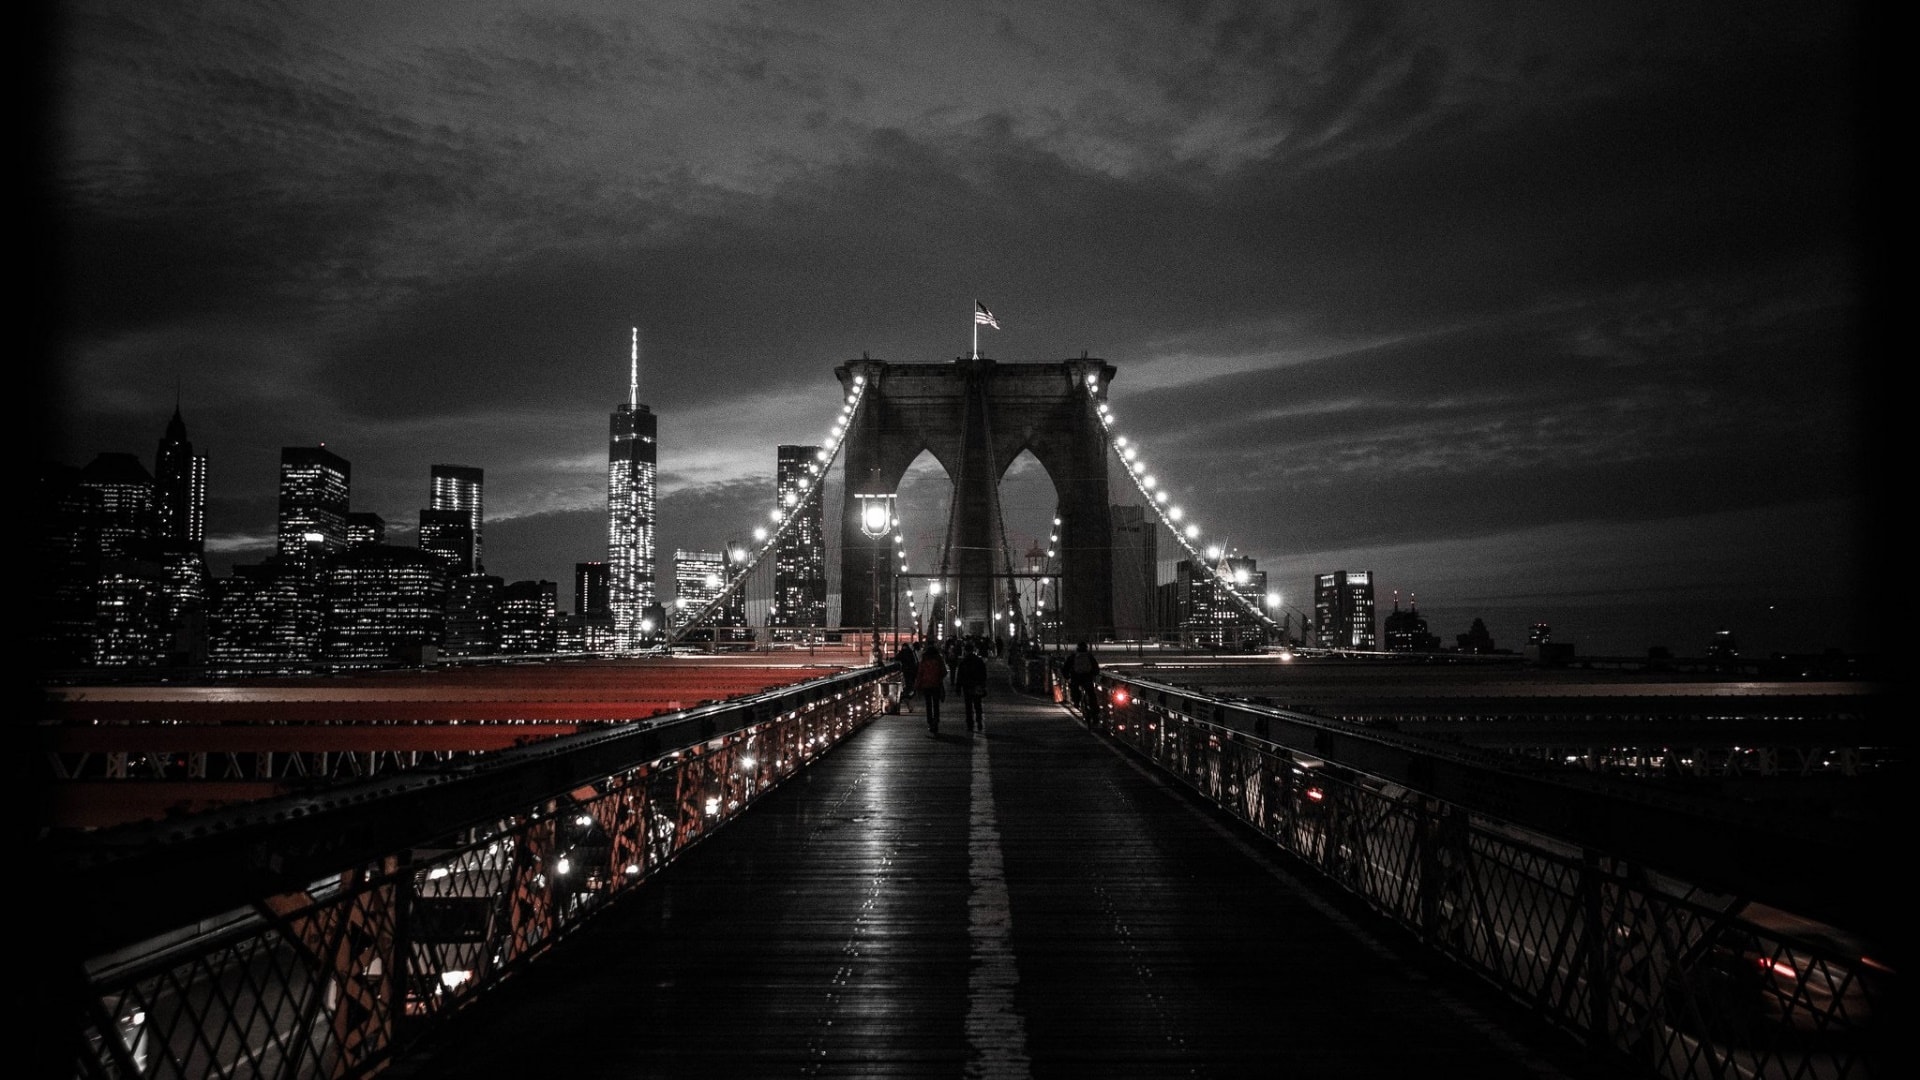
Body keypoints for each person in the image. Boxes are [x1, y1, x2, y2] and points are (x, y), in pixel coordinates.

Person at [915, 643, 949, 734]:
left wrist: (918, 685)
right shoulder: (939, 659)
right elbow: (944, 672)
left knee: (928, 704)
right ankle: (936, 721)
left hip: (926, 685)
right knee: (936, 704)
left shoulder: (924, 660)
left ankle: (930, 722)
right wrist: (938, 677)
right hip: (936, 685)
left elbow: (920, 673)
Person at [957, 642, 989, 733]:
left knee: (968, 706)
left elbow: (960, 675)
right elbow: (983, 673)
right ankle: (979, 721)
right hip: (977, 685)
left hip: (967, 686)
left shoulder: (964, 661)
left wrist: (958, 687)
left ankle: (970, 724)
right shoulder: (978, 661)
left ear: (965, 650)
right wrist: (983, 684)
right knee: (977, 704)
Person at [1067, 639, 1100, 719]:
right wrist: (1094, 674)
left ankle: (1076, 702)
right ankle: (1095, 713)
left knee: (1074, 688)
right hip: (1087, 678)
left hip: (1076, 678)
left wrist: (1067, 676)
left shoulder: (1073, 656)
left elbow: (1066, 667)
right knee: (1091, 694)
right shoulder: (1089, 656)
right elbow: (1096, 667)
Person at [894, 639, 920, 709]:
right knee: (911, 684)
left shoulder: (902, 652)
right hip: (912, 671)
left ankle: (907, 696)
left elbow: (896, 658)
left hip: (906, 671)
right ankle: (910, 695)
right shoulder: (911, 652)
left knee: (906, 685)